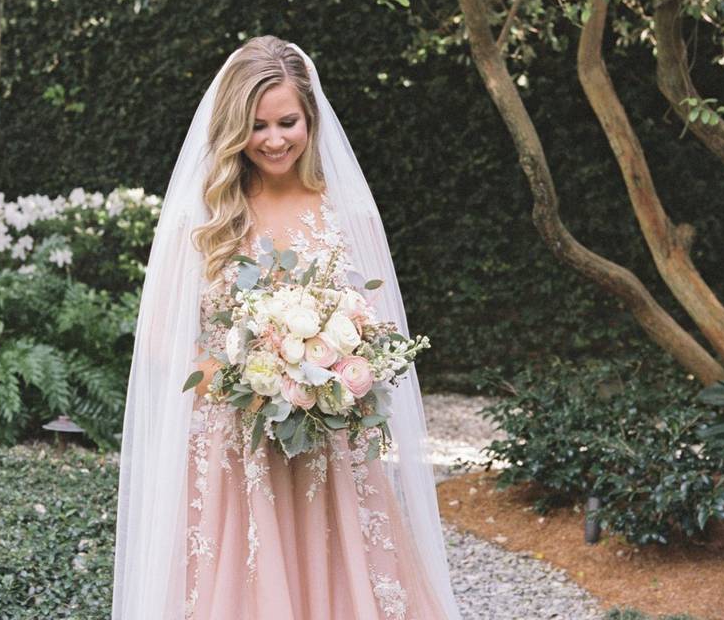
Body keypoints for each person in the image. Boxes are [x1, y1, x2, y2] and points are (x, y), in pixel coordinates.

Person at [111, 35, 462, 620]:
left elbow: (379, 332)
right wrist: (254, 375)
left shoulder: (348, 212)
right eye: (257, 125)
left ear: (311, 119)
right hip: (235, 450)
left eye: (287, 122)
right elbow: (158, 341)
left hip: (329, 445)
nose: (274, 140)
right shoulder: (208, 213)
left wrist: (330, 366)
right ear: (233, 128)